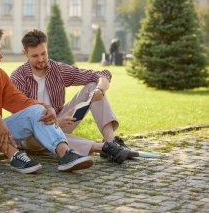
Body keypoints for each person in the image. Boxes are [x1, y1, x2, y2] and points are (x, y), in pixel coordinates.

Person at [0, 23, 94, 174]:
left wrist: (47, 108)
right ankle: (13, 154)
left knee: (36, 110)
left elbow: (20, 101)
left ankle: (65, 154)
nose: (1, 56)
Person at [10, 29, 138, 164]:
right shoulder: (18, 78)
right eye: (35, 56)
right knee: (38, 131)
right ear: (25, 53)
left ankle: (112, 142)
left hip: (61, 120)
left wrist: (100, 88)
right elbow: (23, 122)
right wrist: (56, 122)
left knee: (92, 86)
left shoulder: (56, 69)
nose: (41, 59)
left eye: (44, 53)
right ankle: (103, 148)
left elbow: (100, 75)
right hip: (32, 137)